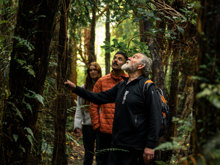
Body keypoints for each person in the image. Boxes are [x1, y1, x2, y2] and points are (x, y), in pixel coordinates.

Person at [65, 53, 161, 165]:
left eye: (135, 57)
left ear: (141, 66)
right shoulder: (122, 85)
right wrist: (76, 88)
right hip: (116, 143)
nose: (129, 58)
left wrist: (150, 146)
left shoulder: (147, 87)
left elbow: (155, 118)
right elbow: (99, 97)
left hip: (135, 147)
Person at [89, 51, 128, 165]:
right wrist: (96, 124)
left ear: (125, 64)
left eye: (120, 59)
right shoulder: (101, 81)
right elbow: (93, 104)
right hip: (104, 131)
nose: (115, 60)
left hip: (121, 132)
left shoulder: (129, 82)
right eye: (114, 58)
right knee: (102, 160)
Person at [73, 62, 102, 165]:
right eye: (90, 70)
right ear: (88, 72)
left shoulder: (103, 85)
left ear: (99, 72)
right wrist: (77, 125)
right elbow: (79, 108)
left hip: (101, 126)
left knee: (100, 154)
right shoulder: (83, 87)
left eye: (95, 69)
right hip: (87, 125)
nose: (93, 72)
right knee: (88, 154)